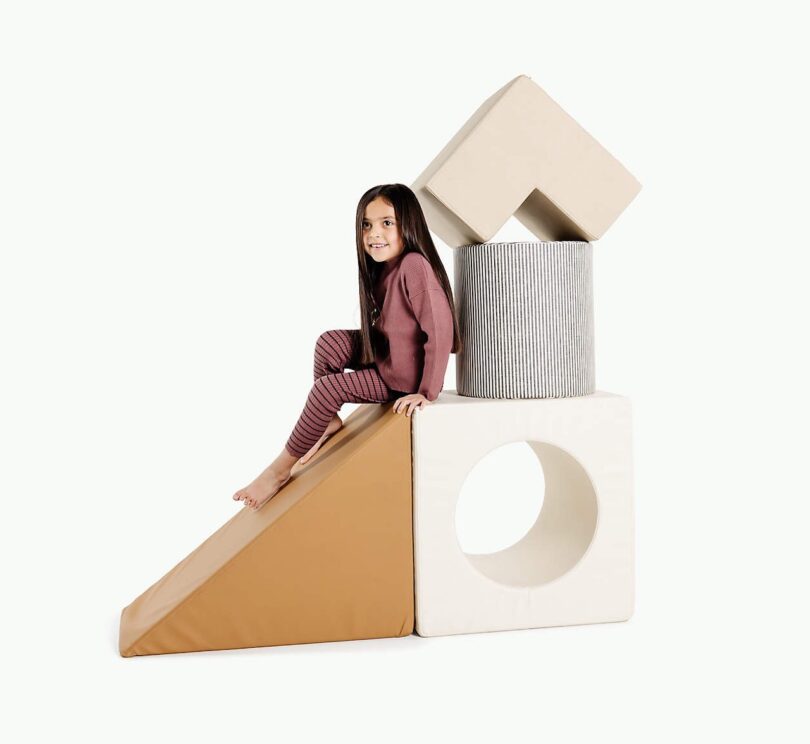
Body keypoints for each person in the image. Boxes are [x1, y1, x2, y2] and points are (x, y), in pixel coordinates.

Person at [232, 183, 463, 511]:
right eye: (366, 224)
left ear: (408, 225)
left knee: (327, 390)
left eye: (387, 223)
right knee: (329, 344)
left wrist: (427, 392)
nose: (373, 234)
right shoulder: (385, 269)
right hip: (386, 354)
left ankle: (277, 472)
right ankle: (327, 422)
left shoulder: (414, 266)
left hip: (401, 377)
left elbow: (439, 331)